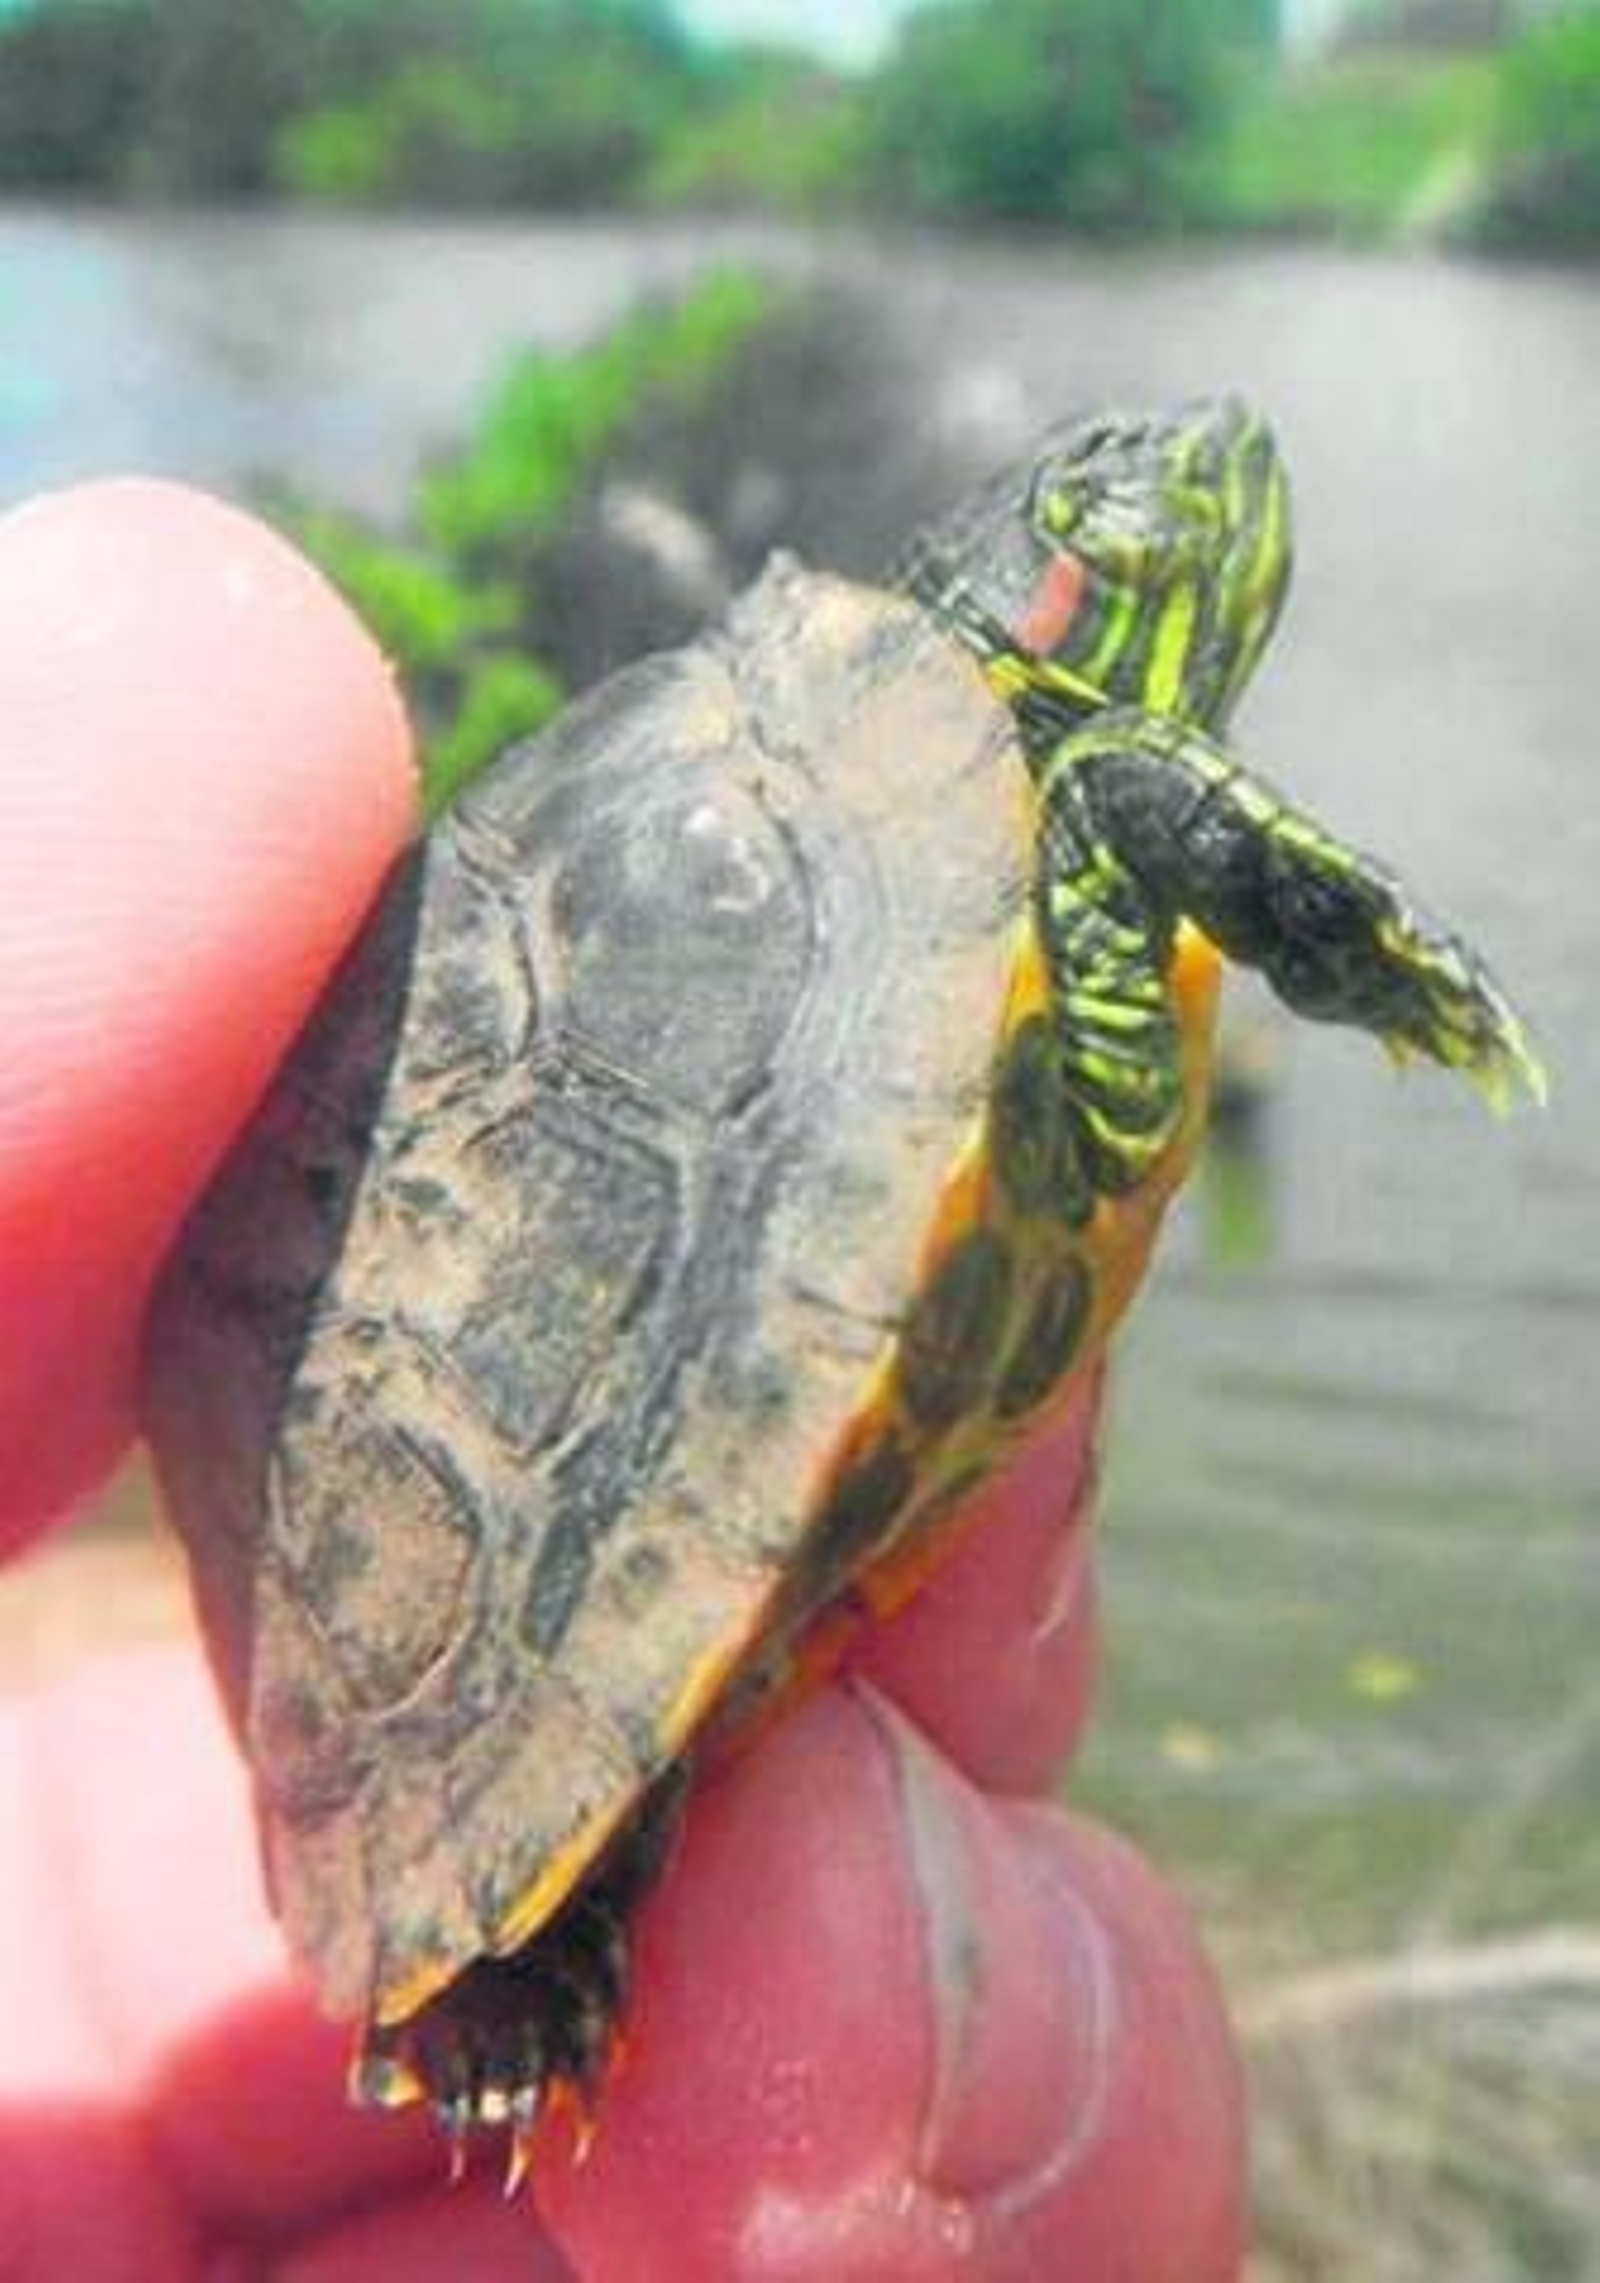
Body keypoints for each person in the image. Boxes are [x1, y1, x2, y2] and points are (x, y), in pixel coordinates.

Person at [0, 478, 1245, 2280]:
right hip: (438, 1566)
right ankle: (514, 1933)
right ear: (1047, 609)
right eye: (1127, 555)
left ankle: (513, 1917)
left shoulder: (969, 812)